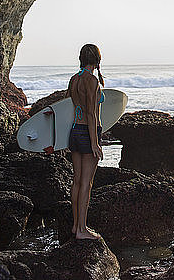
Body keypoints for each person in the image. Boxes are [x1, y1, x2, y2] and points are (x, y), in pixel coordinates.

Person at [65, 43, 105, 240]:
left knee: (77, 182)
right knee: (86, 184)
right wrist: (95, 142)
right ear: (97, 60)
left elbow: (68, 107)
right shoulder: (92, 81)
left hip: (74, 131)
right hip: (87, 133)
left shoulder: (75, 79)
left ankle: (75, 226)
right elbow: (90, 113)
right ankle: (82, 230)